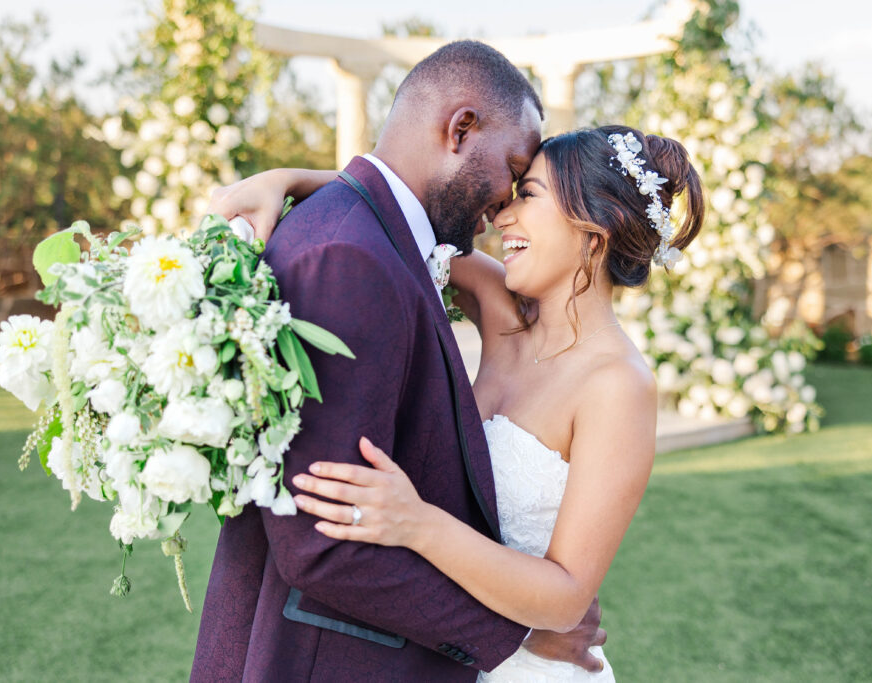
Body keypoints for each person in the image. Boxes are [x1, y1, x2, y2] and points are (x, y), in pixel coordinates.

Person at [210, 121, 704, 681]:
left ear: (596, 230)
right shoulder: (500, 309)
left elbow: (567, 597)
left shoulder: (619, 385)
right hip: (438, 651)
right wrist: (289, 178)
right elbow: (395, 212)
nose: (502, 216)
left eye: (530, 195)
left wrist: (416, 523)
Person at [191, 41, 610, 682]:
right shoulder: (352, 258)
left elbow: (381, 193)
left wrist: (296, 179)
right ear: (460, 128)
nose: (502, 209)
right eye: (513, 172)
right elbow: (322, 543)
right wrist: (517, 637)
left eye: (530, 193)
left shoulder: (376, 238)